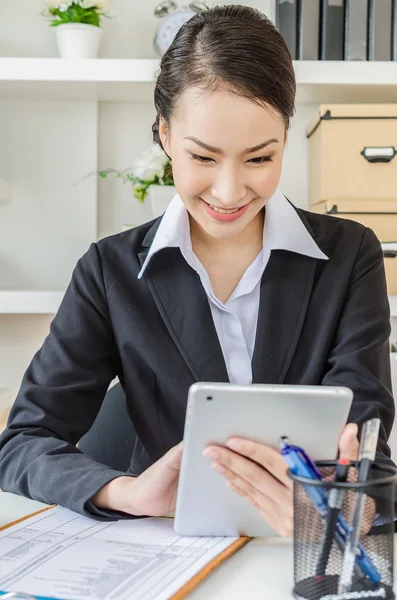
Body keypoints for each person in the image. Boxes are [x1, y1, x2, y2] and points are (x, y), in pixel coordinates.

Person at [0, 5, 394, 538]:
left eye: (259, 159)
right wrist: (127, 492)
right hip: (167, 543)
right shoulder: (109, 271)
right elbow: (24, 443)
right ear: (164, 135)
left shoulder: (350, 256)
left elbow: (366, 442)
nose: (230, 193)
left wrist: (351, 509)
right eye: (203, 158)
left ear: (285, 133)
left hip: (302, 549)